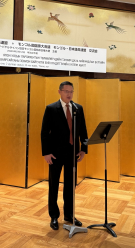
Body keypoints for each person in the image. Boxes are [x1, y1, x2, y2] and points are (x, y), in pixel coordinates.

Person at [41, 81, 88, 230]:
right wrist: (46, 153)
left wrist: (83, 149)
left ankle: (69, 214)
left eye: (71, 91)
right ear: (59, 92)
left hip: (72, 154)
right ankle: (54, 216)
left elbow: (83, 130)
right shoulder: (51, 108)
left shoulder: (77, 108)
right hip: (54, 154)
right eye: (66, 91)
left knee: (70, 185)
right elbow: (44, 133)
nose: (69, 94)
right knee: (53, 185)